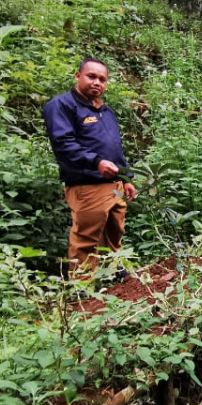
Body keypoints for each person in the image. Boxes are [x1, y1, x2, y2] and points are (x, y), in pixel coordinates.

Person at [43, 58, 137, 278]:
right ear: (78, 76)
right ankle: (81, 288)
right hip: (88, 184)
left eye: (102, 79)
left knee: (115, 230)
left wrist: (126, 178)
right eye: (91, 76)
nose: (97, 83)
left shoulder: (105, 110)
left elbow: (114, 148)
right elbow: (64, 144)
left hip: (114, 185)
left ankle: (113, 271)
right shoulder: (62, 106)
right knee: (86, 237)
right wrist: (96, 162)